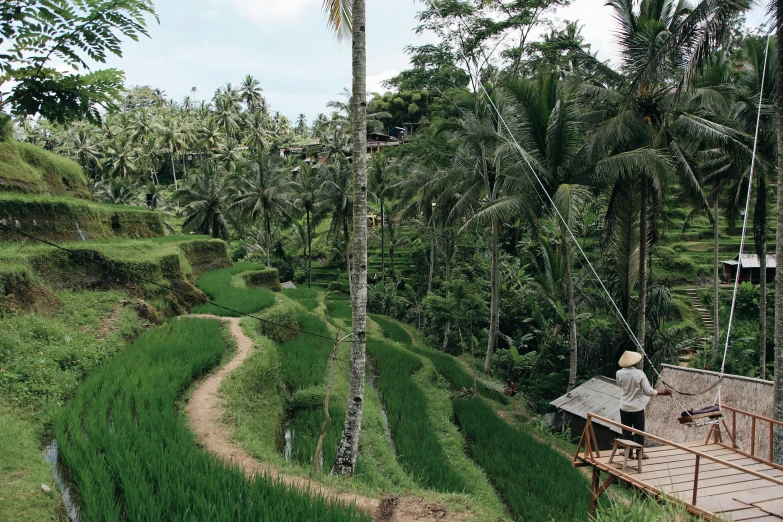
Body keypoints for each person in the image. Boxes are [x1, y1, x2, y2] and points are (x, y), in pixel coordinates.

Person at [616, 351, 672, 459]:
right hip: (637, 408)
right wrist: (663, 392)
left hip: (624, 407)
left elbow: (620, 385)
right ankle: (639, 454)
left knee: (626, 431)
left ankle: (628, 452)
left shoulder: (619, 373)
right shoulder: (639, 374)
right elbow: (649, 391)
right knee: (639, 431)